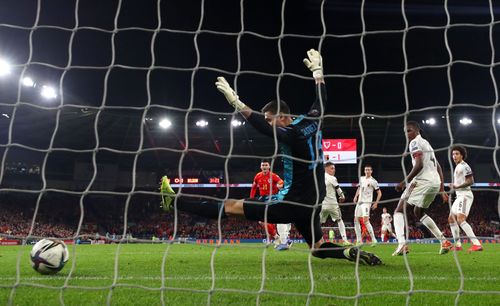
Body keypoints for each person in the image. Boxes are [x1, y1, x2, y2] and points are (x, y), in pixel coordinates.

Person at [160, 49, 381, 265]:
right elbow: (321, 101)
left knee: (229, 207)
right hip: (313, 201)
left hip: (290, 202)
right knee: (317, 247)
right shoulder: (313, 120)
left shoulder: (292, 134)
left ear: (282, 117)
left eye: (269, 118)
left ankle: (175, 202)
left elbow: (264, 129)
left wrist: (237, 103)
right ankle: (349, 252)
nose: (268, 123)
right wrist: (317, 73)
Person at [393, 121, 451, 256]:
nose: (407, 134)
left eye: (409, 130)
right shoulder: (427, 144)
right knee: (418, 212)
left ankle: (402, 244)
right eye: (405, 131)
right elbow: (438, 167)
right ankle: (444, 241)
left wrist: (403, 182)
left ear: (417, 130)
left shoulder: (414, 143)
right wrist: (441, 189)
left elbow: (418, 165)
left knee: (399, 210)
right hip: (434, 182)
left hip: (422, 180)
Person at [448, 145, 483, 252]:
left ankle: (476, 244)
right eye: (453, 154)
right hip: (459, 196)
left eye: (457, 154)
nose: (454, 156)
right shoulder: (457, 167)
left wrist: (457, 187)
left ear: (462, 155)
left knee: (460, 219)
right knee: (451, 219)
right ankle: (458, 245)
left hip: (465, 195)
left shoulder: (464, 166)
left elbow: (471, 181)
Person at [250, 160, 291, 250]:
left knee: (276, 220)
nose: (264, 166)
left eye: (266, 165)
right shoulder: (257, 176)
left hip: (273, 200)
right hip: (263, 200)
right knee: (261, 221)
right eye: (263, 165)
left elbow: (281, 181)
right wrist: (251, 199)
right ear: (261, 167)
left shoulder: (273, 176)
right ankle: (277, 237)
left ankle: (283, 238)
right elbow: (253, 188)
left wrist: (280, 185)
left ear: (269, 167)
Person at [319, 161, 351, 245]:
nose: (334, 170)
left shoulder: (319, 177)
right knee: (339, 220)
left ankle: (317, 240)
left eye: (334, 168)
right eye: (332, 168)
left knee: (319, 222)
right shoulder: (332, 178)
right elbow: (338, 189)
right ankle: (345, 240)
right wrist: (342, 196)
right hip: (332, 204)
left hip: (322, 204)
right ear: (326, 168)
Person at [353, 165, 382, 246]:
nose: (367, 171)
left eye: (369, 170)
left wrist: (376, 203)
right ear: (364, 171)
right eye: (366, 170)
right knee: (356, 220)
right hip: (359, 202)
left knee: (365, 220)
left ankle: (374, 240)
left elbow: (379, 193)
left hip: (366, 203)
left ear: (371, 171)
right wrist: (356, 196)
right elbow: (359, 188)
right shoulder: (361, 178)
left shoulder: (373, 181)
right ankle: (359, 241)